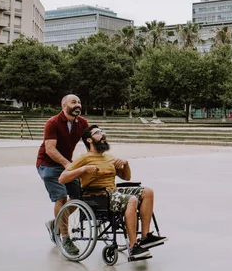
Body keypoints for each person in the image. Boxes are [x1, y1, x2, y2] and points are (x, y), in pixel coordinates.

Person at [58, 125, 167, 260]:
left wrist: (126, 164)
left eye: (103, 132)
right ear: (89, 140)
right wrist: (83, 169)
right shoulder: (84, 158)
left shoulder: (109, 157)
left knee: (147, 192)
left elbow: (126, 177)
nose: (103, 135)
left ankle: (145, 237)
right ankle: (133, 247)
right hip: (97, 196)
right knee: (131, 200)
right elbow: (62, 178)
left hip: (113, 192)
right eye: (98, 133)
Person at [36, 94, 89, 253]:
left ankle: (56, 222)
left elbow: (91, 144)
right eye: (74, 102)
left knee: (79, 196)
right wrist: (68, 164)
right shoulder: (52, 123)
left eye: (79, 102)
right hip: (48, 165)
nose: (77, 105)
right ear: (64, 106)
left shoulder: (82, 123)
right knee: (61, 197)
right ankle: (65, 238)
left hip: (67, 165)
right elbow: (50, 150)